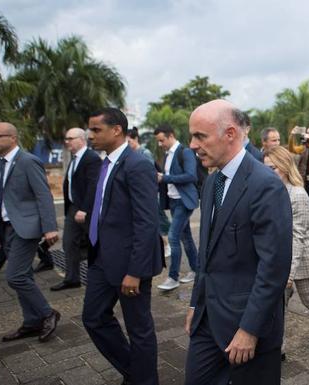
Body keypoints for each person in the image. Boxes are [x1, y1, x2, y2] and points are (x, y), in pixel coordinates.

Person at [184, 100, 292, 385]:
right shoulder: (211, 182)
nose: (192, 145)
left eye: (200, 136)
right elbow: (206, 254)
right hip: (207, 320)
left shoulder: (264, 185)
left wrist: (250, 329)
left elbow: (274, 268)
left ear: (230, 134)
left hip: (246, 328)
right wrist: (196, 304)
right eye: (192, 136)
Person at [82, 108, 163, 385]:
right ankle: (136, 373)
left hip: (130, 264)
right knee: (93, 318)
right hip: (101, 258)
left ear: (116, 130)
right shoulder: (104, 163)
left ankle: (144, 380)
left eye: (95, 130)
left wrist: (135, 271)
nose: (90, 136)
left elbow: (146, 221)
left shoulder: (137, 163)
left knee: (139, 329)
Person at [0, 122, 60, 342]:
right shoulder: (0, 165)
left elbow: (43, 196)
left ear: (12, 138)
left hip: (26, 228)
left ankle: (48, 313)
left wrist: (49, 228)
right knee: (24, 275)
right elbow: (0, 201)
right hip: (7, 228)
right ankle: (31, 322)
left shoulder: (28, 161)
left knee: (15, 276)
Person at [263, 146, 309, 354]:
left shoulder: (298, 194)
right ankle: (278, 347)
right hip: (283, 258)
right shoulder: (273, 190)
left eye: (273, 168)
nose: (268, 173)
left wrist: (289, 274)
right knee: (278, 305)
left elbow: (297, 236)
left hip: (303, 259)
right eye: (265, 168)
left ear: (284, 167)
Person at [49, 128, 100, 291]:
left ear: (81, 139)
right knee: (68, 243)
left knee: (97, 243)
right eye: (66, 139)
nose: (67, 142)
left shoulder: (91, 158)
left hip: (87, 210)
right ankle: (72, 278)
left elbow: (94, 185)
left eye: (70, 138)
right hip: (73, 208)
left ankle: (102, 277)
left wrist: (84, 209)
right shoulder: (74, 159)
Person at [154, 124, 199, 290]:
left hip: (184, 201)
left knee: (173, 237)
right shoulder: (168, 154)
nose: (160, 144)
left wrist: (164, 178)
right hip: (173, 201)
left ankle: (173, 277)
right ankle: (195, 269)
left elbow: (191, 175)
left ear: (171, 135)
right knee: (185, 237)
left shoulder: (185, 152)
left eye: (162, 140)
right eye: (158, 141)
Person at [127, 126, 172, 257]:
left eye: (129, 141)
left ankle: (167, 245)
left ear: (135, 139)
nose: (128, 145)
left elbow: (148, 175)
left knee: (159, 221)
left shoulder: (144, 153)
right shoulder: (132, 154)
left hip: (149, 194)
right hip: (141, 194)